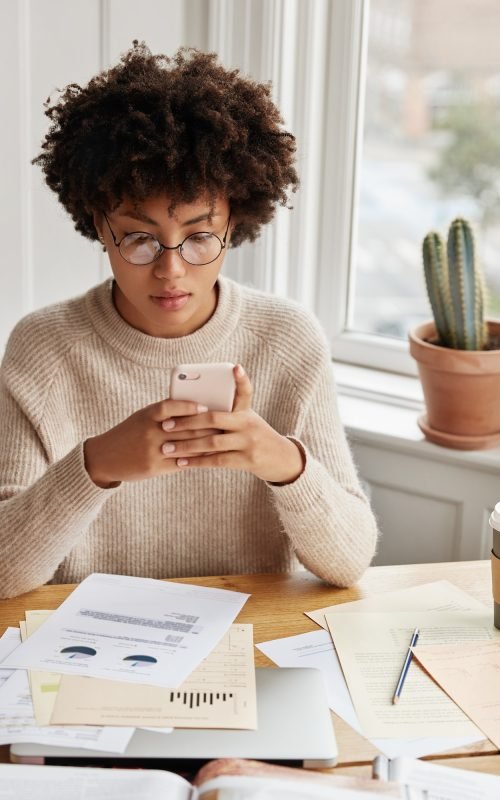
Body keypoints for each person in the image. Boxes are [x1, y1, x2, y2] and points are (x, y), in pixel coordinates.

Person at [0, 42, 378, 599]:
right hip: (89, 655)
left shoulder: (286, 339)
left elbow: (348, 564)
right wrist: (97, 465)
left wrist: (280, 462)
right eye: (139, 237)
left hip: (248, 646)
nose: (170, 270)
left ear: (236, 222)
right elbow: (5, 572)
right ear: (99, 226)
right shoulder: (44, 346)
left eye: (199, 236)